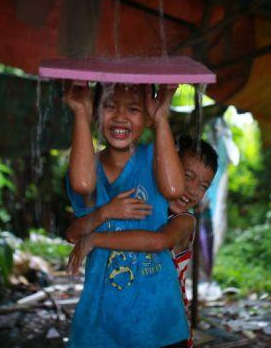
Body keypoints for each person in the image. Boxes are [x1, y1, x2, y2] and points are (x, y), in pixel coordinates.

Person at [64, 82, 190, 348]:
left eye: (133, 109)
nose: (120, 117)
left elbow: (174, 188)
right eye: (110, 106)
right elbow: (78, 211)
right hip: (102, 321)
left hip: (157, 319)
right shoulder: (86, 167)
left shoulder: (155, 158)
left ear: (147, 118)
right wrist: (81, 113)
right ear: (97, 113)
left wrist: (161, 119)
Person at [67, 136, 218, 348]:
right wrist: (105, 212)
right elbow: (72, 234)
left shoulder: (184, 221)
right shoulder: (139, 205)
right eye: (186, 176)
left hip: (163, 328)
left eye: (203, 186)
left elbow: (159, 242)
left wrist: (94, 239)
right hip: (122, 323)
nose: (192, 190)